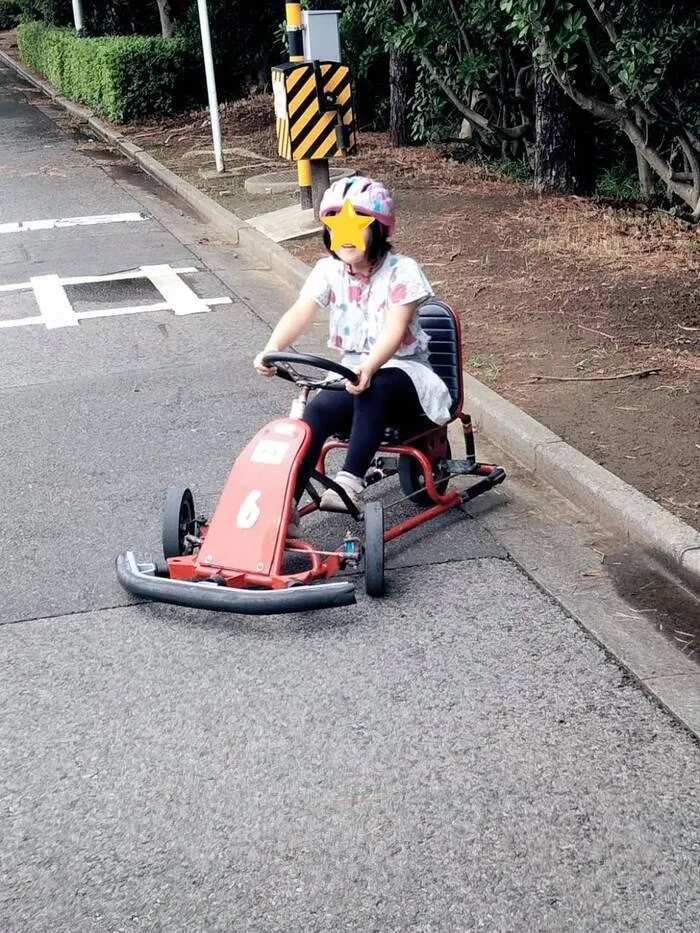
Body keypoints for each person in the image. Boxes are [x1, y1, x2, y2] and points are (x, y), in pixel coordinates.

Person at [253, 175, 452, 532]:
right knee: (318, 409)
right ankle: (285, 510)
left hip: (405, 377)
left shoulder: (402, 271)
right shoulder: (328, 271)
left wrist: (370, 365)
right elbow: (301, 310)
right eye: (335, 226)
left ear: (378, 229)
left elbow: (395, 329)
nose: (344, 237)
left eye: (355, 227)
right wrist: (273, 349)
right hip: (350, 374)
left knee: (377, 382)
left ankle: (350, 481)